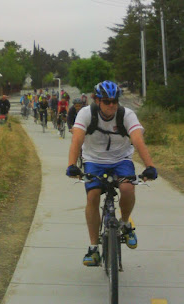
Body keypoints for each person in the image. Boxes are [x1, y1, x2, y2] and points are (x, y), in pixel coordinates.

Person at [66, 80, 158, 267]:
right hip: (94, 160)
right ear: (96, 100)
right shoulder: (85, 114)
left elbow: (138, 140)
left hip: (121, 159)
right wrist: (72, 165)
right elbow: (76, 139)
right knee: (92, 196)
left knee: (127, 188)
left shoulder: (126, 115)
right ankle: (93, 248)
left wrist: (149, 166)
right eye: (107, 101)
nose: (111, 105)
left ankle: (124, 223)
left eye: (114, 101)